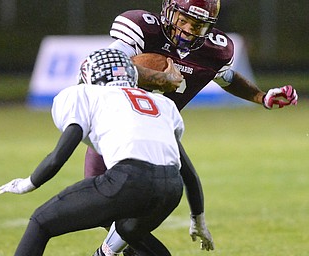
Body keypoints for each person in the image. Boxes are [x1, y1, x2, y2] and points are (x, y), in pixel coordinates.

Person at [86, 0, 298, 255]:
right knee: (116, 218)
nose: (187, 29)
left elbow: (226, 77)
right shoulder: (143, 28)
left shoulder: (214, 50)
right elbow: (101, 66)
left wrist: (261, 97)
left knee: (135, 224)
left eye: (197, 25)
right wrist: (160, 77)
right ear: (168, 12)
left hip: (156, 142)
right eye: (183, 20)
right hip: (113, 136)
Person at [0, 48, 187, 256]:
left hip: (128, 179)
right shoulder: (162, 103)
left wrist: (28, 183)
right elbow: (185, 167)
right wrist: (198, 216)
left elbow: (57, 157)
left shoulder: (86, 94)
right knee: (127, 231)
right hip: (172, 188)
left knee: (41, 222)